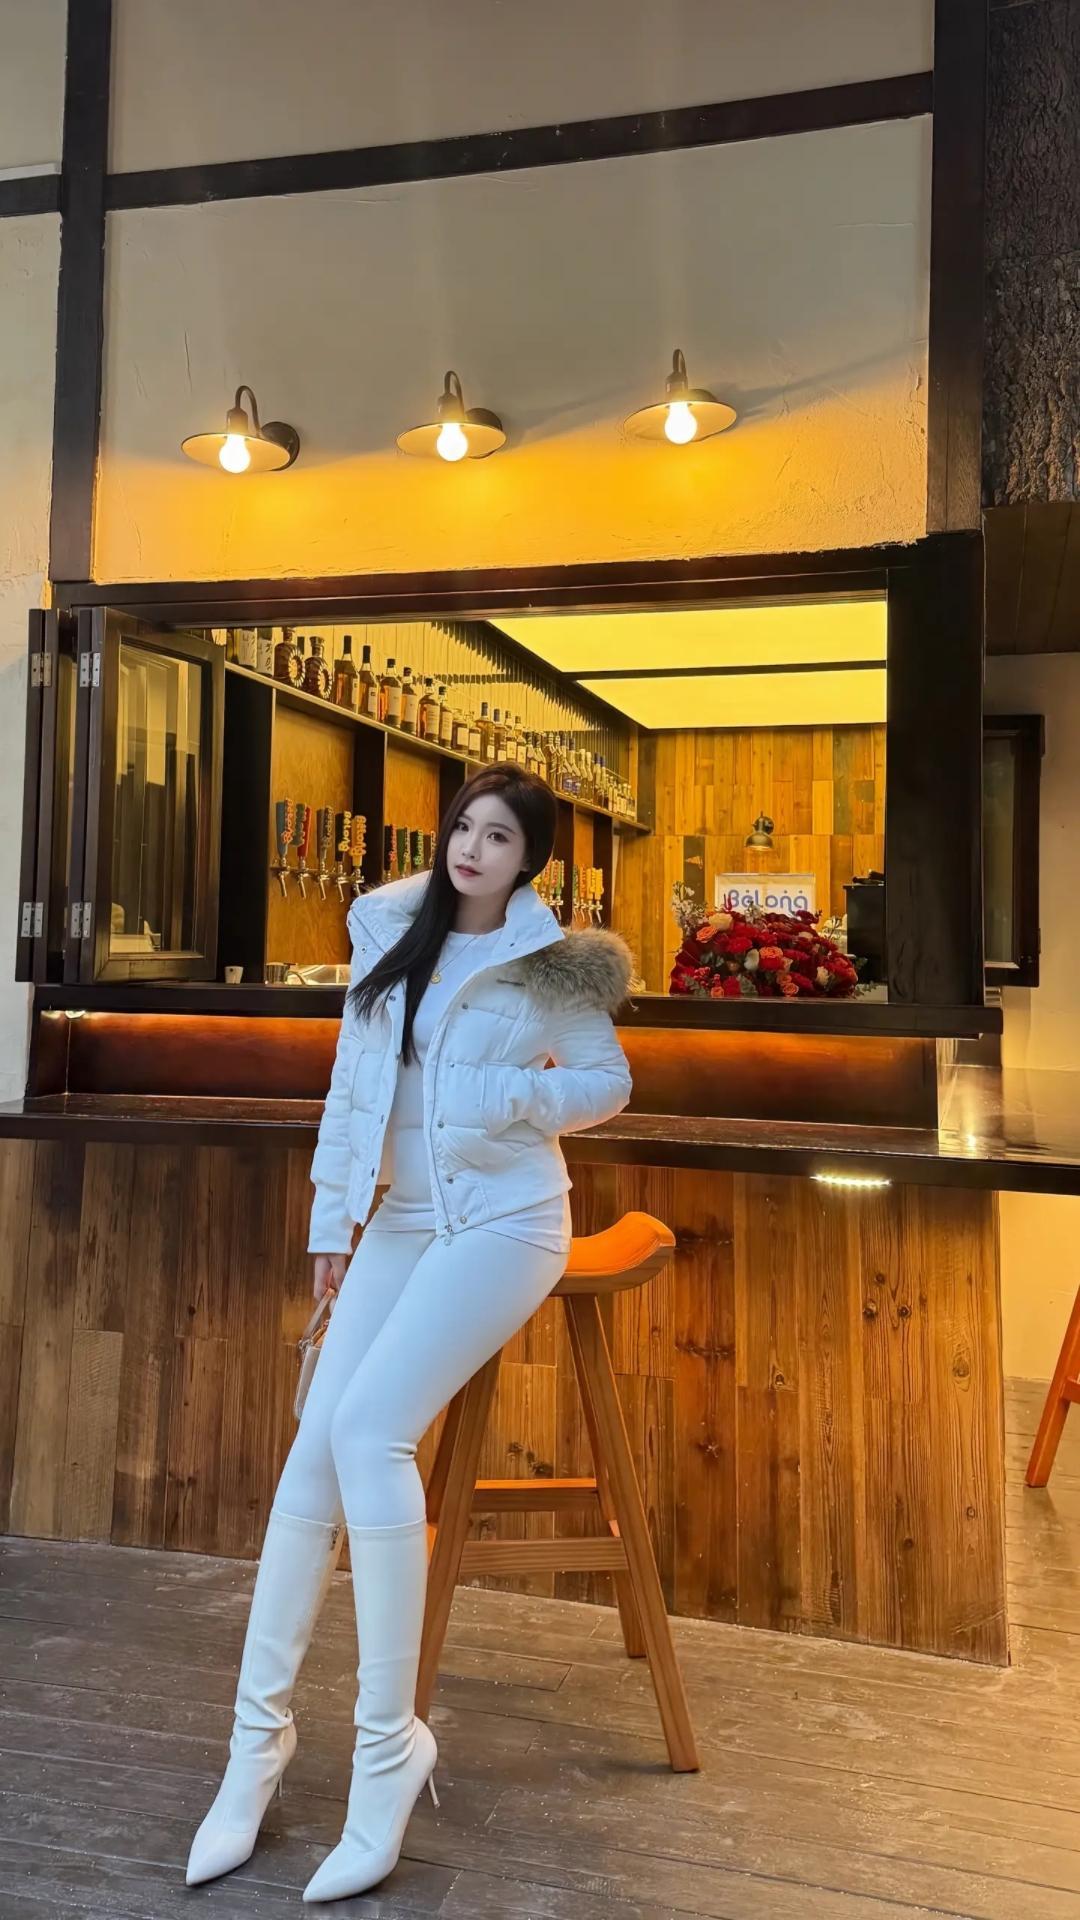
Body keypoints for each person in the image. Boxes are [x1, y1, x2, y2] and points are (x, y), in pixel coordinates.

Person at [186, 764, 634, 1902]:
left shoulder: (549, 963)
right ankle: (254, 1751)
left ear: (529, 859)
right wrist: (330, 1224)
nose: (471, 849)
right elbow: (353, 1090)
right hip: (398, 1220)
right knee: (312, 1452)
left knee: (370, 1432)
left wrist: (516, 1098)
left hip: (506, 1221)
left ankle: (387, 1755)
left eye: (498, 836)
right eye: (462, 828)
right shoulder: (388, 931)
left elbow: (606, 1081)